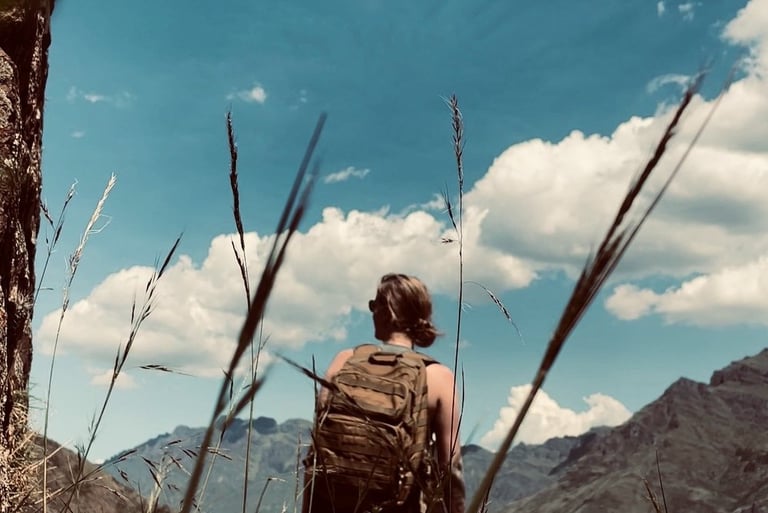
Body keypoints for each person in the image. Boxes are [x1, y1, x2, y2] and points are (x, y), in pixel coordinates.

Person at [303, 273, 465, 513]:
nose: (371, 313)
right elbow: (450, 469)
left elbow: (316, 452)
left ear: (387, 310)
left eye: (373, 305)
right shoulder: (438, 377)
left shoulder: (344, 360)